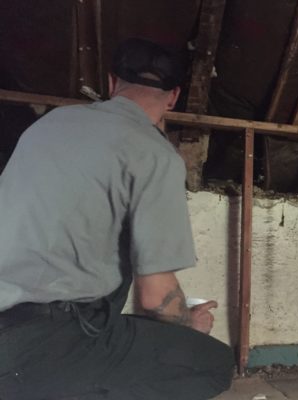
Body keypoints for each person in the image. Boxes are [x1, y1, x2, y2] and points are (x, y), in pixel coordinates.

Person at [0, 38, 234, 400]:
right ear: (173, 97)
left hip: (12, 327)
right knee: (210, 362)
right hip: (43, 345)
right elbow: (156, 298)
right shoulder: (154, 154)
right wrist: (190, 325)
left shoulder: (49, 124)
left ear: (111, 83)